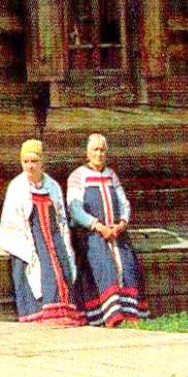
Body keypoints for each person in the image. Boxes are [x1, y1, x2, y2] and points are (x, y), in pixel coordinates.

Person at [0, 139, 85, 326]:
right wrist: (30, 246)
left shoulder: (52, 186)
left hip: (52, 235)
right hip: (30, 236)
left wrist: (61, 240)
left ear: (41, 162)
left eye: (34, 161)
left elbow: (61, 217)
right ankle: (43, 316)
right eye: (25, 161)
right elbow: (12, 222)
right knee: (40, 270)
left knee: (62, 266)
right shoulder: (17, 187)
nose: (29, 166)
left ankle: (65, 315)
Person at [67, 133, 149, 326]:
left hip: (115, 232)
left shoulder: (111, 175)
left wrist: (122, 223)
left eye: (103, 150)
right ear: (87, 153)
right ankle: (109, 316)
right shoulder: (78, 176)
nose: (99, 154)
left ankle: (130, 313)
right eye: (95, 149)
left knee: (128, 266)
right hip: (91, 234)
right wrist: (97, 226)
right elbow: (74, 208)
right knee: (103, 265)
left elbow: (124, 203)